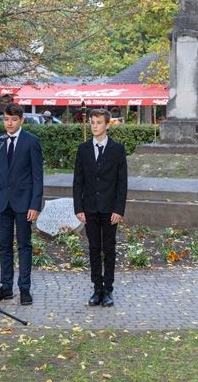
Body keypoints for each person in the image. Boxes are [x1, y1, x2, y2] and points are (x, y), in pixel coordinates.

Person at [0, 102, 43, 306]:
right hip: (2, 202)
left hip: (24, 202)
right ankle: (6, 287)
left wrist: (35, 205)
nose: (9, 123)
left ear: (21, 120)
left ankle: (24, 288)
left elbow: (37, 176)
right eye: (6, 119)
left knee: (24, 245)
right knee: (4, 246)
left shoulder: (31, 142)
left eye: (13, 119)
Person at [73, 108, 128, 308]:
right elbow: (78, 181)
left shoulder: (117, 149)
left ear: (107, 125)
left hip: (110, 208)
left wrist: (119, 209)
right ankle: (97, 289)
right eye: (92, 122)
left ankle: (108, 290)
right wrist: (78, 208)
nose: (94, 126)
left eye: (98, 122)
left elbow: (122, 183)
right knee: (94, 248)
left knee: (109, 248)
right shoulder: (83, 149)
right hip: (89, 208)